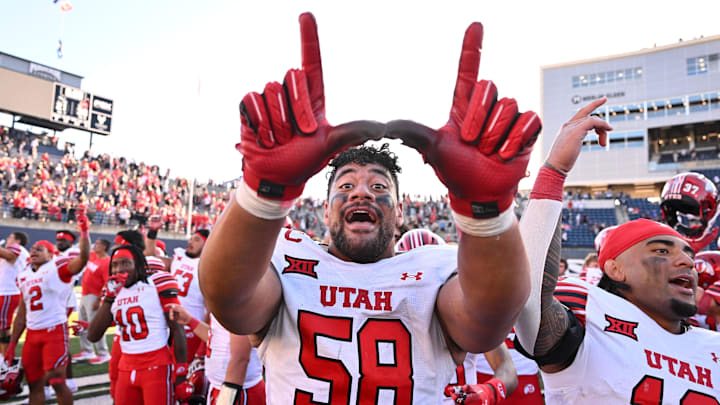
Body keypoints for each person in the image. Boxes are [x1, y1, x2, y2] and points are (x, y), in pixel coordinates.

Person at [201, 13, 542, 404]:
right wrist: (263, 193)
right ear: (326, 210)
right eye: (345, 185)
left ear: (399, 214)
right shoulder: (290, 258)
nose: (361, 193)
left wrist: (486, 213)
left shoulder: (433, 268)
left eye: (379, 187)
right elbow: (227, 300)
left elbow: (488, 323)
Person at [507, 98, 720, 403]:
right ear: (615, 268)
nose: (685, 260)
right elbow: (528, 297)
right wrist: (554, 171)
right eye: (661, 251)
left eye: (687, 253)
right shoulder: (593, 317)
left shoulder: (713, 348)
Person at [87, 245, 191, 405]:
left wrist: (181, 372)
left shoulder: (157, 283)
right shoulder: (113, 292)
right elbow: (93, 336)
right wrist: (109, 298)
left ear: (138, 265)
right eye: (114, 265)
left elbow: (177, 329)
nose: (118, 269)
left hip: (156, 366)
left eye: (125, 263)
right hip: (125, 367)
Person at [5, 212, 90, 405]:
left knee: (57, 381)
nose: (34, 251)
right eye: (33, 248)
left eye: (40, 249)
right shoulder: (24, 276)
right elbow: (21, 316)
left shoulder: (57, 267)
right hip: (33, 335)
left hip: (54, 331)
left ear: (50, 254)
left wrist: (84, 233)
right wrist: (12, 345)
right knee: (34, 385)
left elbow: (83, 259)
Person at [168, 304, 266, 404]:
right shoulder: (223, 300)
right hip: (222, 387)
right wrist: (189, 320)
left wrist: (226, 397)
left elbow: (240, 359)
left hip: (238, 391)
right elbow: (217, 340)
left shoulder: (238, 304)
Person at [147, 216, 209, 360]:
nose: (190, 242)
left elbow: (209, 310)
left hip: (191, 328)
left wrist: (202, 340)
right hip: (168, 324)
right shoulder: (178, 258)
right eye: (191, 238)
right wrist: (152, 231)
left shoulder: (207, 268)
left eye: (197, 240)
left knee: (184, 372)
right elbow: (151, 258)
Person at [76, 238, 111, 365]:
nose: (94, 246)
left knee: (95, 325)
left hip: (94, 296)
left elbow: (107, 283)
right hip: (84, 293)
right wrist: (81, 233)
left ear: (104, 247)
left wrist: (98, 299)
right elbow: (82, 248)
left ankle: (103, 353)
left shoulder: (107, 262)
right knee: (82, 324)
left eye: (97, 244)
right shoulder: (92, 256)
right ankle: (87, 350)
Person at [0, 231, 29, 357]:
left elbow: (10, 256)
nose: (7, 239)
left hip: (8, 292)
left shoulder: (17, 248)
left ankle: (5, 358)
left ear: (17, 241)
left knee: (3, 328)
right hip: (7, 291)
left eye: (10, 237)